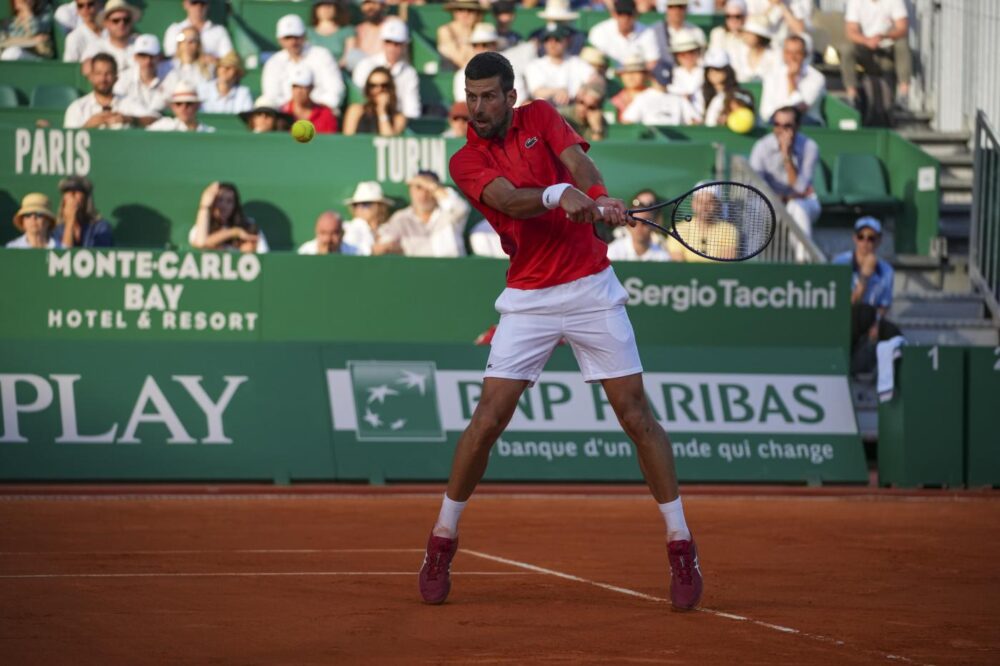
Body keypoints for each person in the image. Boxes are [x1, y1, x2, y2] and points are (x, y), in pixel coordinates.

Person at [420, 51, 702, 611]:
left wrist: (597, 199)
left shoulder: (543, 117)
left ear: (511, 95)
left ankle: (681, 545)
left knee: (637, 415)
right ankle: (441, 541)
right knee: (487, 422)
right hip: (528, 299)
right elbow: (508, 201)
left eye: (489, 97)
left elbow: (580, 166)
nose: (478, 108)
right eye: (470, 97)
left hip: (592, 287)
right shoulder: (464, 161)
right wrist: (556, 196)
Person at [832, 216, 902, 374]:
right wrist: (864, 276)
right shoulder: (840, 263)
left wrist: (876, 323)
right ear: (854, 239)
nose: (865, 243)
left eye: (871, 238)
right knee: (864, 312)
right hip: (845, 317)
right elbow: (847, 303)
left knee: (894, 335)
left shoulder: (886, 270)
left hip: (870, 320)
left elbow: (883, 305)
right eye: (861, 237)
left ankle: (887, 383)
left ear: (878, 241)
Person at [749, 105, 819, 260]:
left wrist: (786, 155)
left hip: (803, 201)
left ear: (797, 127)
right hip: (771, 200)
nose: (781, 130)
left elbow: (800, 187)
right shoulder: (762, 146)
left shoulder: (810, 147)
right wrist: (778, 198)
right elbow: (755, 183)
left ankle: (803, 262)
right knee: (755, 207)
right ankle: (751, 261)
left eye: (787, 126)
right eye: (777, 125)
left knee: (798, 207)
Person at [374, 171, 470, 257]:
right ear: (410, 191)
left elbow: (461, 208)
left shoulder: (449, 214)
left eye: (428, 188)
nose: (423, 194)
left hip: (453, 272)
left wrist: (432, 185)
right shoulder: (401, 218)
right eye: (418, 187)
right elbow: (383, 246)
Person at [262, 14, 345, 111]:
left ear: (304, 36)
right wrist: (293, 110)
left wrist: (315, 111)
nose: (293, 42)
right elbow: (272, 96)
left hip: (320, 113)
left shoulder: (322, 55)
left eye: (296, 37)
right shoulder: (274, 62)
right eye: (288, 38)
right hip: (286, 115)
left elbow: (335, 90)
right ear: (279, 40)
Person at [840, 0, 910, 109]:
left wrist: (884, 36)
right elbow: (851, 31)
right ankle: (852, 95)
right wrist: (866, 41)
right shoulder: (855, 2)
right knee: (847, 48)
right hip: (865, 48)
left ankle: (903, 94)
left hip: (887, 48)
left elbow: (902, 28)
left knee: (902, 43)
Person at [64, 52, 156, 129]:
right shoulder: (78, 108)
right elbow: (69, 139)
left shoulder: (128, 102)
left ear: (116, 77)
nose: (103, 79)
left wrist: (130, 119)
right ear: (91, 77)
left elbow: (155, 119)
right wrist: (88, 126)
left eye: (108, 74)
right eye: (98, 73)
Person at [352, 19, 420, 120]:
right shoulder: (366, 65)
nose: (392, 47)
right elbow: (359, 98)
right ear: (383, 43)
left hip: (395, 122)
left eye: (397, 44)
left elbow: (412, 109)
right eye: (388, 42)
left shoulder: (409, 73)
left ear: (405, 45)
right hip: (368, 118)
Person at [452, 22, 528, 106]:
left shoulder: (511, 71)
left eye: (485, 44)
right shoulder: (462, 75)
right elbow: (464, 105)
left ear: (494, 45)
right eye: (475, 45)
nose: (480, 49)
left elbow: (519, 102)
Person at [758, 34, 825, 125]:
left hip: (807, 125)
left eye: (797, 53)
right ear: (783, 54)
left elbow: (800, 108)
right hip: (775, 122)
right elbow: (765, 110)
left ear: (805, 54)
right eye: (788, 53)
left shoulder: (816, 77)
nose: (792, 57)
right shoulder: (771, 75)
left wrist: (791, 79)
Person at [524, 24, 594, 107]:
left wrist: (585, 88)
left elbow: (594, 78)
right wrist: (558, 91)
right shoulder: (535, 65)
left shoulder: (577, 62)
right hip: (546, 109)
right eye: (547, 40)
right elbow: (537, 91)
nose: (552, 44)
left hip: (573, 107)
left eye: (557, 39)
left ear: (567, 41)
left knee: (593, 112)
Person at [190, 181, 268, 253]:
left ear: (235, 205)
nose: (223, 206)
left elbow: (263, 255)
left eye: (229, 201)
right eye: (219, 200)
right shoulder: (202, 228)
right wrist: (205, 206)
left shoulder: (249, 226)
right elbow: (201, 243)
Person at [666, 187, 738, 261]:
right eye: (700, 202)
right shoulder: (678, 229)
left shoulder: (728, 229)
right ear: (693, 204)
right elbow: (677, 261)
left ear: (718, 205)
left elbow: (727, 262)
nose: (704, 207)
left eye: (710, 202)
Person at [621, 59, 701, 126]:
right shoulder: (643, 98)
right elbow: (628, 121)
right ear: (653, 78)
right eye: (660, 81)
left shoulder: (678, 99)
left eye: (665, 82)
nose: (662, 85)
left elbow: (695, 120)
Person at [586, 0, 658, 70]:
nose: (625, 18)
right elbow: (594, 60)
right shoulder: (599, 31)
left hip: (637, 76)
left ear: (636, 15)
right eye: (620, 14)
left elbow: (652, 62)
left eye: (629, 14)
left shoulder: (647, 32)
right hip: (607, 77)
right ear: (614, 14)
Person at [650, 0, 707, 84]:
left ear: (686, 9)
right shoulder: (653, 32)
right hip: (664, 79)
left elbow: (702, 59)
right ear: (667, 9)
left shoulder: (696, 31)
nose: (677, 11)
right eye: (672, 7)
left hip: (693, 77)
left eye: (681, 7)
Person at [113, 34, 170, 115]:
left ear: (159, 57)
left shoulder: (170, 75)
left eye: (152, 56)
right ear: (135, 57)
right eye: (143, 56)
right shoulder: (124, 78)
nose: (148, 61)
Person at [342, 66, 406, 136]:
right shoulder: (355, 110)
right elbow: (348, 141)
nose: (378, 90)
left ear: (390, 88)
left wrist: (382, 111)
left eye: (384, 85)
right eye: (373, 86)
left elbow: (388, 142)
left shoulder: (398, 118)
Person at [81, 0, 138, 77]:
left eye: (126, 20)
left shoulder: (140, 43)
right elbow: (86, 69)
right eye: (116, 21)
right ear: (106, 23)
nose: (121, 24)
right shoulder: (96, 47)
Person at [163, 0, 232, 63]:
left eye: (202, 3)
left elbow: (228, 59)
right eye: (194, 2)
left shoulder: (219, 31)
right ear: (185, 4)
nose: (198, 7)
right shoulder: (174, 30)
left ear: (208, 5)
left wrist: (214, 60)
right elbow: (170, 58)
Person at [53, 176, 114, 248]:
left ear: (86, 198)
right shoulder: (58, 229)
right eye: (68, 190)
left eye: (77, 190)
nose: (72, 194)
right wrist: (70, 222)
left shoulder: (100, 227)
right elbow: (61, 255)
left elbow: (101, 254)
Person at [342, 181, 393, 255]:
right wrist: (373, 250)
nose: (360, 208)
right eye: (356, 205)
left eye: (366, 204)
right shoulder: (348, 228)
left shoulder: (388, 229)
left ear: (379, 207)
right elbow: (347, 250)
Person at [161, 26, 215, 96]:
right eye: (183, 39)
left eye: (192, 40)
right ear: (178, 44)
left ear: (198, 45)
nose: (187, 43)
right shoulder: (165, 67)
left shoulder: (208, 68)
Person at [281, 67, 338, 134]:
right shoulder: (281, 112)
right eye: (295, 86)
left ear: (311, 88)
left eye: (303, 86)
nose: (299, 91)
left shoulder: (326, 114)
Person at [699, 49, 746, 126]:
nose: (712, 72)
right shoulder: (705, 93)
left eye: (717, 69)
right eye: (709, 69)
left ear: (727, 71)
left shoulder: (737, 94)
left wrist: (729, 118)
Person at [147, 82, 216, 132]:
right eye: (179, 103)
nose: (184, 108)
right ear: (173, 107)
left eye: (189, 103)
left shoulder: (209, 132)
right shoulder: (161, 127)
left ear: (197, 105)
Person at [436, 0, 484, 71]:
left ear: (477, 13)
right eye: (460, 10)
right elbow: (458, 59)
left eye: (470, 10)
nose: (465, 14)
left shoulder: (481, 28)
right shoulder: (445, 30)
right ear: (454, 12)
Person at [307, 0, 356, 67]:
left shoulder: (348, 31)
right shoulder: (308, 32)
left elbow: (349, 56)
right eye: (322, 6)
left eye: (329, 5)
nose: (326, 9)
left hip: (340, 72)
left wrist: (333, 68)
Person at [732, 15, 776, 83]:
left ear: (760, 36)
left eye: (749, 33)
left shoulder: (773, 55)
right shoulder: (737, 52)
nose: (745, 35)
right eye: (745, 32)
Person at [666, 31, 704, 102]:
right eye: (682, 54)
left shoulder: (707, 72)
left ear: (698, 52)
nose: (688, 57)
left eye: (691, 52)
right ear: (676, 56)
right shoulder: (671, 75)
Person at [349, 0, 388, 67]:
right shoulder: (359, 30)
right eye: (366, 3)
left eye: (373, 3)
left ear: (382, 5)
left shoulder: (391, 24)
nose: (370, 7)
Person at [610, 56, 649, 122]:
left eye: (635, 72)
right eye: (626, 73)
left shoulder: (655, 97)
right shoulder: (616, 101)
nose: (630, 77)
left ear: (645, 75)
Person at [709, 0, 747, 64]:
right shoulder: (717, 34)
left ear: (744, 17)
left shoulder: (749, 36)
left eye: (737, 16)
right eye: (728, 16)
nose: (733, 20)